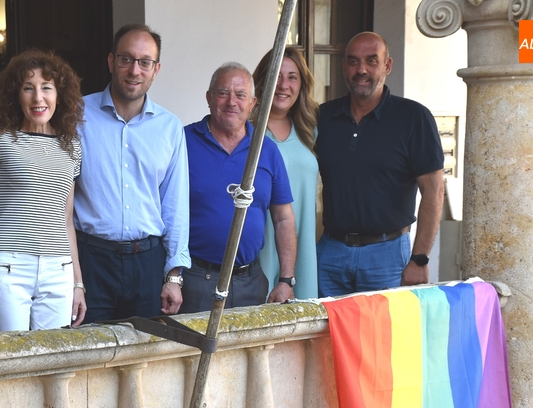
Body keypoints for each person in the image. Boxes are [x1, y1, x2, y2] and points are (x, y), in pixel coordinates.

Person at [74, 24, 190, 321]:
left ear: (156, 69)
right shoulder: (75, 116)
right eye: (126, 59)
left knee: (145, 359)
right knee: (89, 356)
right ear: (111, 61)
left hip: (148, 265)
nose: (134, 70)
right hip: (91, 260)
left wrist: (173, 276)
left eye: (144, 62)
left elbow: (175, 206)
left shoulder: (170, 127)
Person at [315, 32, 444, 297]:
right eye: (353, 61)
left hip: (386, 256)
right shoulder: (323, 117)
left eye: (371, 61)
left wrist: (419, 258)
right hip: (330, 254)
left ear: (387, 66)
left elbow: (434, 192)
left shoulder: (413, 118)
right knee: (327, 337)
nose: (361, 69)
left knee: (383, 338)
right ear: (343, 66)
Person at [0, 50, 86, 331]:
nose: (38, 98)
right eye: (28, 88)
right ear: (15, 95)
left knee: (52, 362)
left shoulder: (71, 147)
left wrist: (77, 283)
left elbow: (66, 220)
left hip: (59, 269)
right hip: (9, 265)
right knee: (12, 359)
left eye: (47, 87)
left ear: (59, 94)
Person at [180, 62, 297, 314]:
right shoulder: (183, 142)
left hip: (251, 282)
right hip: (196, 280)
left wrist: (286, 280)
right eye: (223, 93)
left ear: (253, 102)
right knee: (195, 353)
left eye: (240, 95)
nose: (231, 102)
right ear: (209, 98)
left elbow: (284, 218)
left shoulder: (266, 150)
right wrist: (171, 277)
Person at [252, 47, 320, 299]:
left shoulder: (310, 130)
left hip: (302, 246)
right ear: (262, 80)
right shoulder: (247, 129)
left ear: (302, 84)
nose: (283, 84)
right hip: (262, 243)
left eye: (292, 77)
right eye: (276, 75)